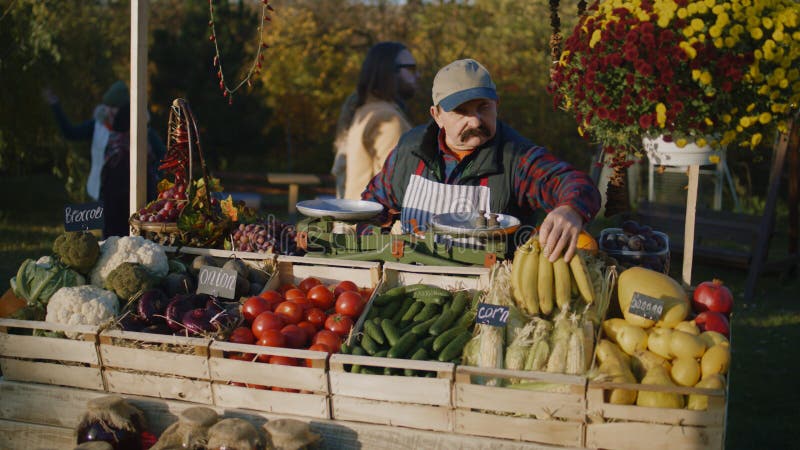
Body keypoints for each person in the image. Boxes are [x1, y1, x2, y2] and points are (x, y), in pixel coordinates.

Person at [361, 59, 601, 262]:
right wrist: (375, 245)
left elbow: (573, 182)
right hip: (410, 285)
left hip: (488, 297)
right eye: (462, 111)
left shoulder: (516, 156)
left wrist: (571, 209)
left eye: (483, 107)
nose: (475, 121)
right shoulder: (409, 151)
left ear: (497, 105)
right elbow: (373, 206)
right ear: (437, 115)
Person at [334, 42, 419, 200]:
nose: (417, 75)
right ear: (388, 71)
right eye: (411, 68)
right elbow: (398, 185)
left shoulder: (365, 112)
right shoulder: (387, 118)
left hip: (362, 216)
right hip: (378, 221)